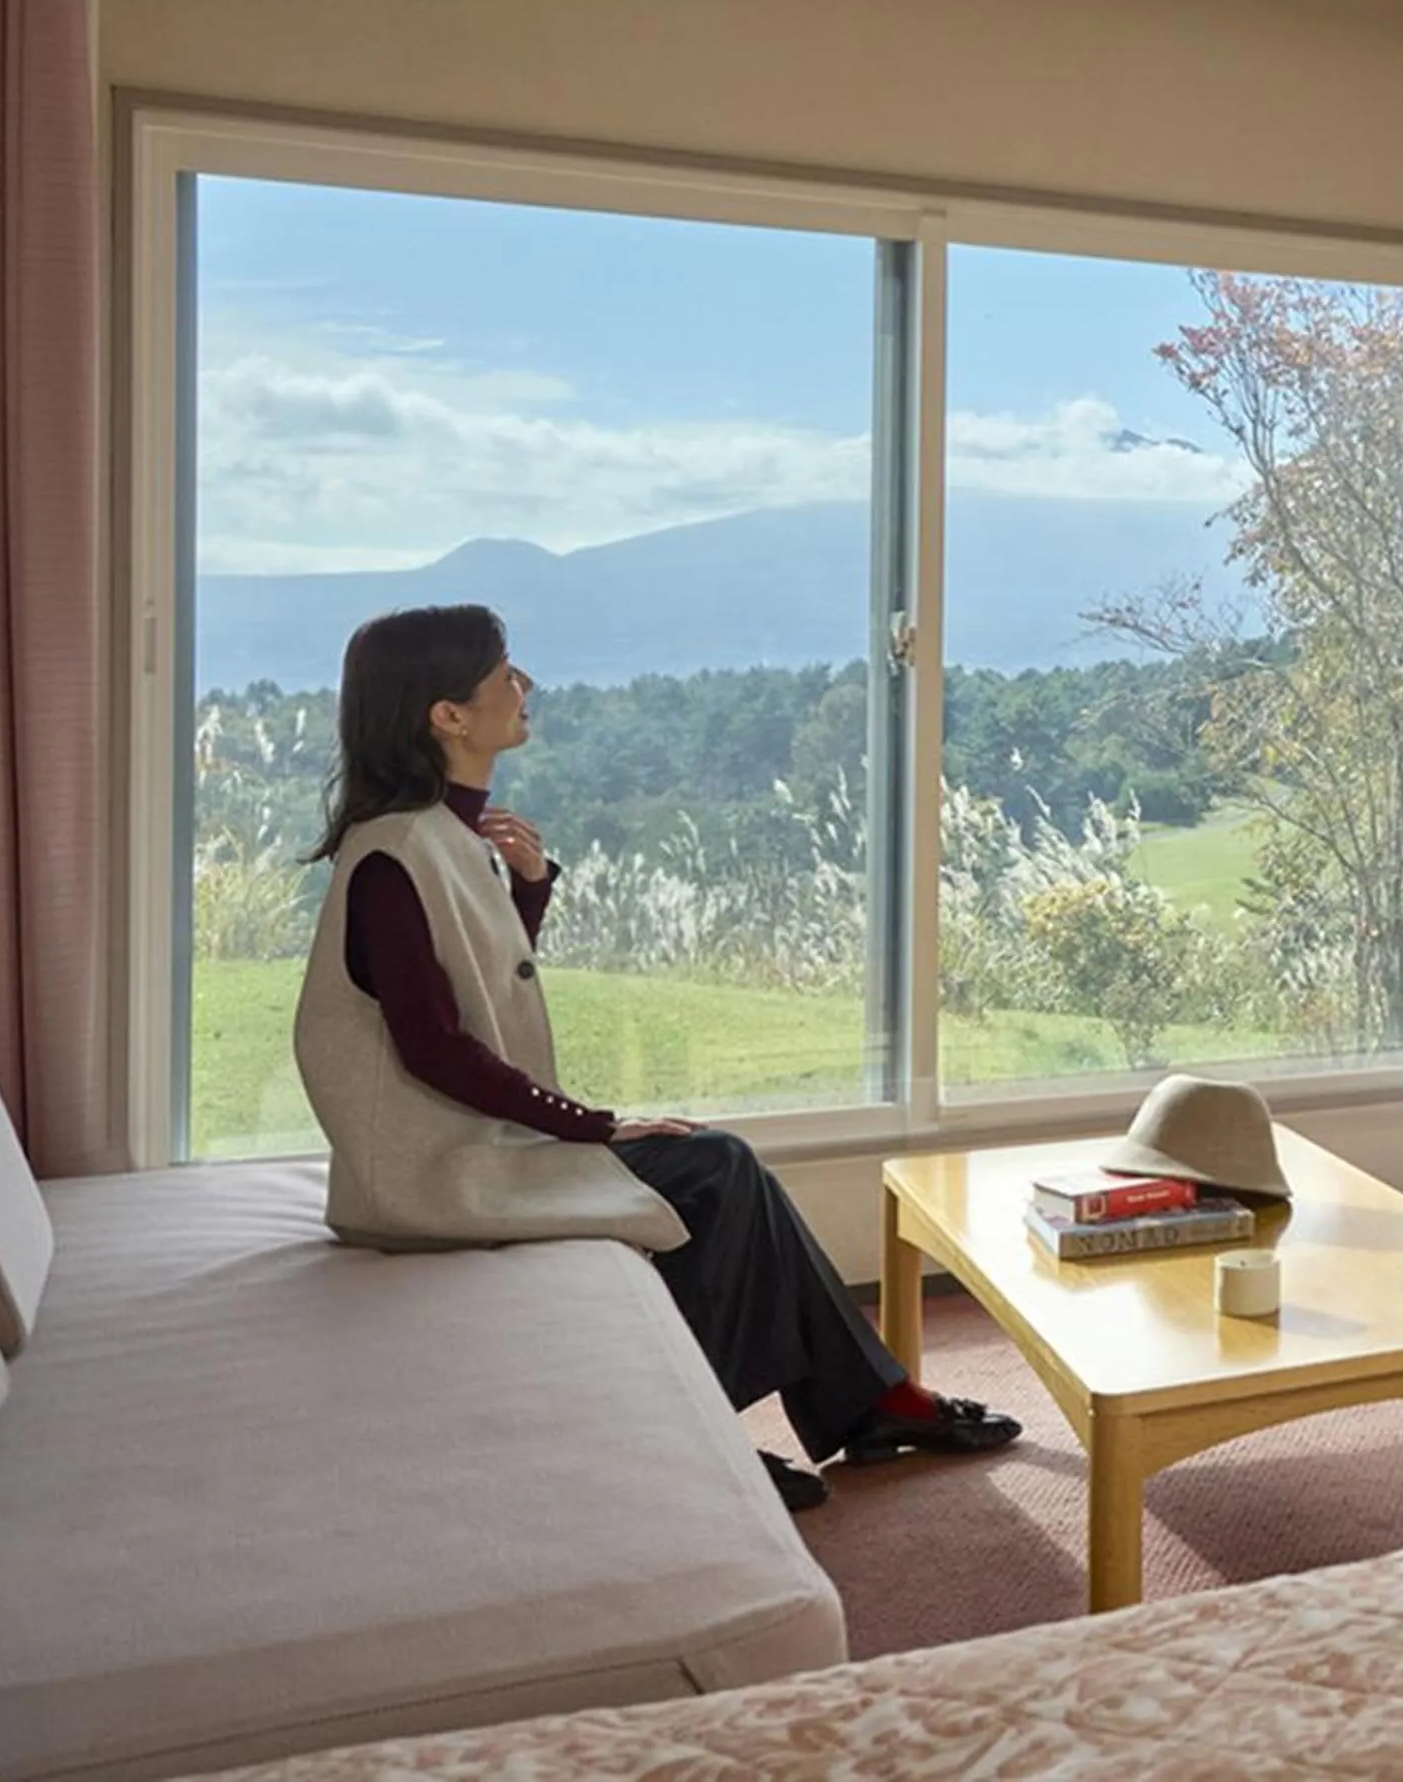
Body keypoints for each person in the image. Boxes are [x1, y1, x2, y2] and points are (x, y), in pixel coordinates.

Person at [292, 603, 1018, 1513]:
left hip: (470, 1151)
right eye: (505, 672)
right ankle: (745, 1424)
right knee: (713, 1170)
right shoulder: (394, 856)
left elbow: (476, 987)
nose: (524, 685)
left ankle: (854, 1404)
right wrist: (596, 1126)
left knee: (716, 1168)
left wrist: (529, 891)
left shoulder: (443, 836)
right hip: (432, 1179)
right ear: (448, 715)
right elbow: (434, 1047)